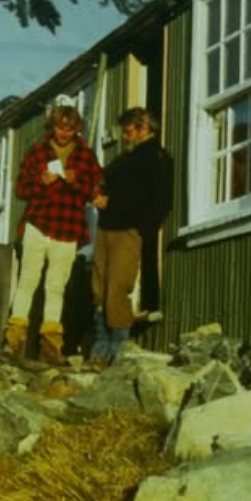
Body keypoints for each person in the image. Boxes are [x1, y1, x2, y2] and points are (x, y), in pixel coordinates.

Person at [2, 104, 102, 364]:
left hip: (68, 230)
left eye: (69, 129)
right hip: (38, 225)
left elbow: (97, 192)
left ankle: (50, 346)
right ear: (51, 127)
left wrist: (75, 182)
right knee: (28, 281)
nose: (64, 133)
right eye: (59, 128)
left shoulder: (86, 157)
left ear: (76, 129)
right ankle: (13, 341)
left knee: (55, 287)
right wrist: (40, 182)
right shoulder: (37, 152)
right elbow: (20, 190)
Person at [88, 107, 173, 367]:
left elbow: (160, 200)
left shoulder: (157, 158)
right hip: (106, 228)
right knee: (99, 287)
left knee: (117, 286)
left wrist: (144, 230)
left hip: (128, 230)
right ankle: (100, 344)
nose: (124, 137)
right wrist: (97, 191)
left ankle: (118, 347)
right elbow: (103, 182)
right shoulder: (124, 160)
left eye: (128, 131)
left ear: (144, 129)